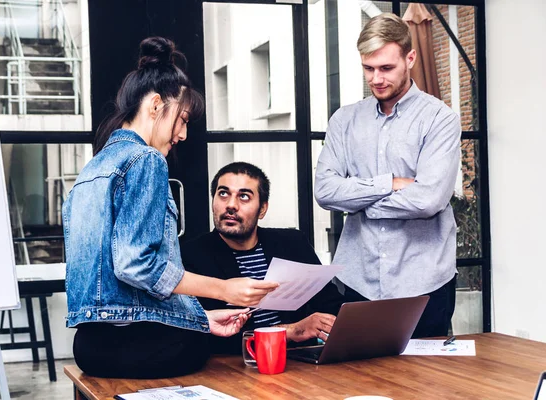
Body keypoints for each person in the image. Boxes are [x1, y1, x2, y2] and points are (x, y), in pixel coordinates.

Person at [63, 37, 278, 379]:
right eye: (183, 120)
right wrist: (224, 289)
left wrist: (200, 318)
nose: (183, 134)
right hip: (136, 346)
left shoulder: (94, 168)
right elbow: (136, 265)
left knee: (199, 333)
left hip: (90, 346)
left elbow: (119, 291)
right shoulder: (145, 159)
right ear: (155, 105)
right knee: (220, 362)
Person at [314, 13, 460, 338]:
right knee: (361, 382)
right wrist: (388, 184)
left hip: (424, 284)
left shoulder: (440, 120)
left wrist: (357, 201)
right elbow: (325, 191)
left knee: (425, 385)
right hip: (359, 281)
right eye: (368, 68)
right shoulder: (344, 121)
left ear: (410, 58)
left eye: (386, 68)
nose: (376, 79)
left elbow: (428, 199)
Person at [182, 162, 344, 354]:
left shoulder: (293, 243)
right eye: (223, 194)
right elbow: (206, 337)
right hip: (234, 368)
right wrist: (290, 331)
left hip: (299, 364)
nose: (231, 205)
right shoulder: (192, 255)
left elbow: (332, 306)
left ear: (262, 209)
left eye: (244, 196)